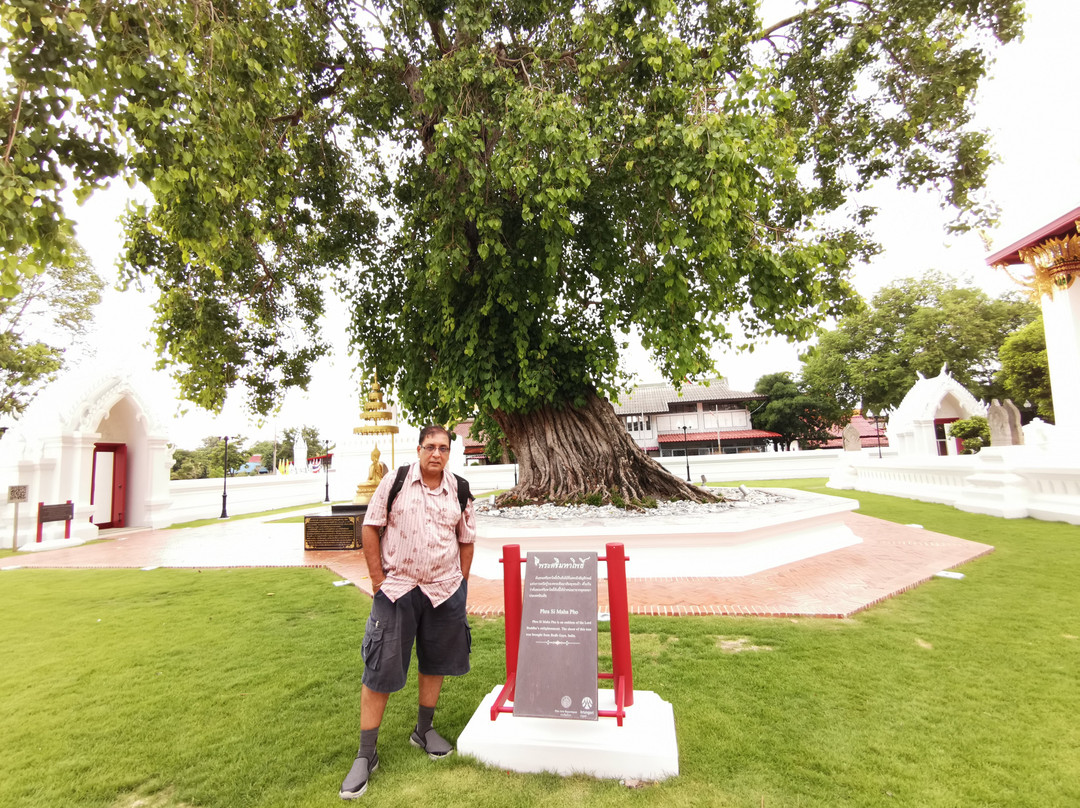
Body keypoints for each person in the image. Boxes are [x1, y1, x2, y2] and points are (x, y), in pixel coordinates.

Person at [339, 425, 476, 800]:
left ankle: (424, 730)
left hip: (443, 591)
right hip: (397, 589)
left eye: (443, 448)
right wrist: (377, 580)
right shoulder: (396, 481)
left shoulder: (459, 490)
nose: (436, 453)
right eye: (430, 447)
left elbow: (466, 539)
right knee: (380, 667)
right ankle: (366, 754)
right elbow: (370, 527)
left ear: (450, 453)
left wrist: (460, 585)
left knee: (435, 662)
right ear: (418, 450)